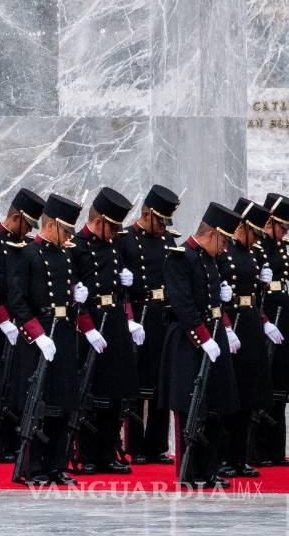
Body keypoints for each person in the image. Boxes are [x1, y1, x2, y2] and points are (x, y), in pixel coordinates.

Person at [8, 193, 89, 487]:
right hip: (40, 335)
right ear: (52, 225)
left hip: (64, 332)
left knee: (63, 403)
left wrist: (77, 300)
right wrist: (37, 335)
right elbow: (18, 302)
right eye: (65, 230)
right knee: (38, 403)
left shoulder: (66, 254)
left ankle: (56, 464)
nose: (68, 235)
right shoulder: (26, 254)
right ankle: (33, 466)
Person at [162, 202, 241, 488]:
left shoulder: (209, 258)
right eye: (225, 241)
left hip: (213, 335)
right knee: (190, 407)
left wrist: (224, 322)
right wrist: (203, 338)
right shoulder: (180, 257)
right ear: (215, 234)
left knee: (215, 405)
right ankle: (189, 472)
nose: (227, 248)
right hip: (190, 340)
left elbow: (211, 302)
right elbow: (183, 305)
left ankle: (210, 469)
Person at [69, 187, 137, 475]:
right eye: (112, 227)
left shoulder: (112, 244)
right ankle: (87, 454)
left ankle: (107, 453)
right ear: (99, 222)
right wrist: (87, 327)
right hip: (91, 323)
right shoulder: (77, 246)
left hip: (114, 320)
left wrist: (128, 310)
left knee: (115, 392)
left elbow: (119, 289)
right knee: (90, 394)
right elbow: (71, 291)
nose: (115, 233)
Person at [116, 184, 181, 466]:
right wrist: (128, 317)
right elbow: (117, 285)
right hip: (140, 314)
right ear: (147, 214)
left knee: (160, 383)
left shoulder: (168, 240)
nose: (163, 228)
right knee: (138, 385)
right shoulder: (126, 239)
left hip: (162, 315)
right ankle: (136, 445)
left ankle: (157, 446)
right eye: (160, 221)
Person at [0, 186, 44, 463]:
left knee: (18, 384)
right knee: (1, 384)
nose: (28, 230)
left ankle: (13, 440)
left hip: (21, 324)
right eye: (27, 224)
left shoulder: (26, 247)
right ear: (16, 217)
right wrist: (3, 321)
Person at [217, 198, 274, 478]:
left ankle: (241, 456)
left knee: (250, 394)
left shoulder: (250, 252)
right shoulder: (223, 250)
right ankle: (226, 456)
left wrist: (263, 320)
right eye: (255, 232)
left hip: (250, 324)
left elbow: (253, 296)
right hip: (232, 323)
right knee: (232, 394)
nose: (257, 239)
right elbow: (215, 293)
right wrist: (225, 326)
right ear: (242, 227)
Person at [253, 192, 289, 465]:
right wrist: (263, 322)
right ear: (270, 222)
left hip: (284, 316)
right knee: (264, 385)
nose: (285, 232)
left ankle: (276, 450)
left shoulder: (282, 248)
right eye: (282, 226)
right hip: (268, 316)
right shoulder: (257, 248)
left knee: (281, 387)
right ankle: (260, 449)